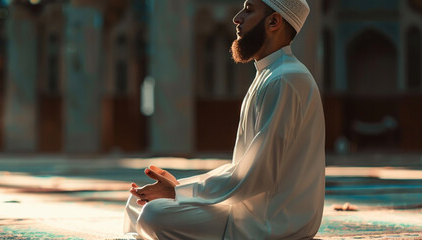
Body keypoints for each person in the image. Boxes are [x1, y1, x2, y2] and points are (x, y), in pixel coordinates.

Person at [124, 0, 324, 239]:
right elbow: (246, 169)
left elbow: (258, 175)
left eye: (248, 10)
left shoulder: (287, 79)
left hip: (271, 220)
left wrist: (178, 191)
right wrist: (179, 187)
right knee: (137, 203)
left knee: (154, 214)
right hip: (248, 206)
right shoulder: (269, 74)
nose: (237, 18)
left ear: (274, 21)